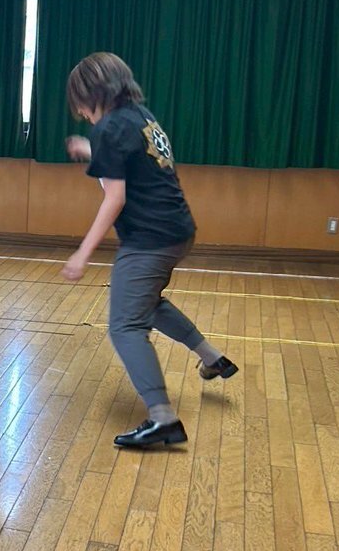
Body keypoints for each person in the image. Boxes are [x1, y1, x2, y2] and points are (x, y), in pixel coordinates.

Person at [59, 52, 237, 448]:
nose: (81, 113)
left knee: (125, 326)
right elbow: (135, 162)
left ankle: (163, 419)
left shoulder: (109, 128)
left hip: (149, 240)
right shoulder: (140, 117)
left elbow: (115, 198)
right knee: (146, 303)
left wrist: (82, 253)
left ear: (92, 94)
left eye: (81, 104)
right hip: (178, 231)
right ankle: (212, 358)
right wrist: (92, 150)